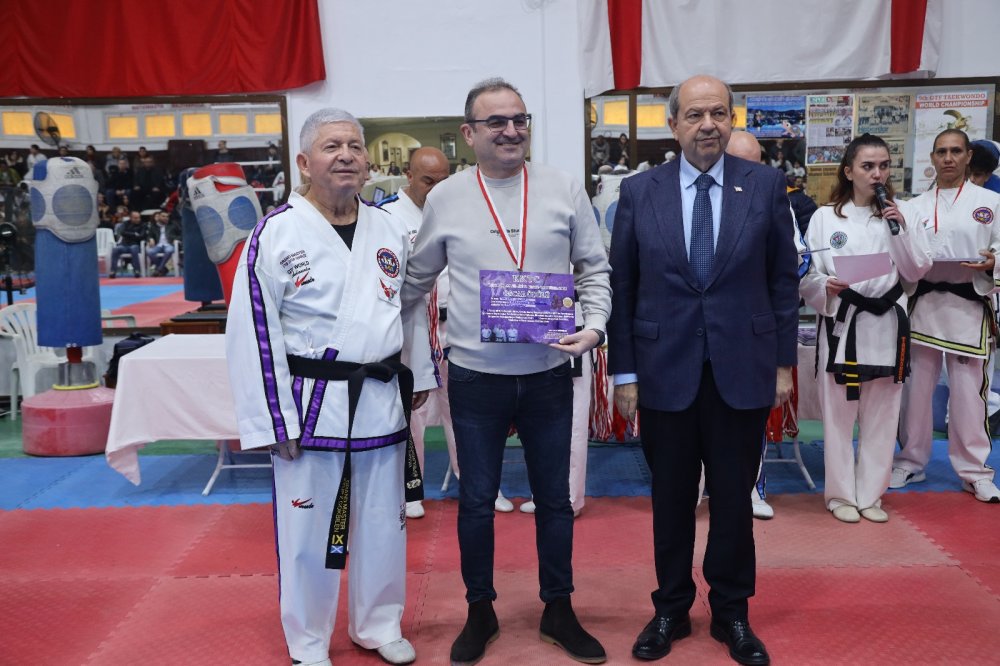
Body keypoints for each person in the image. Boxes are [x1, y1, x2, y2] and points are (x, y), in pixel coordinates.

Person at [403, 77, 611, 665]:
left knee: (555, 500)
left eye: (520, 119)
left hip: (548, 371)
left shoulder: (563, 188)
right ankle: (480, 611)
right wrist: (370, 323)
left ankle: (559, 608)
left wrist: (595, 327)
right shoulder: (447, 198)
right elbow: (416, 279)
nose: (511, 130)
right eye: (496, 121)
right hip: (475, 376)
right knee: (475, 502)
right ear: (469, 133)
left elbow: (594, 268)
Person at [225, 108, 437, 666]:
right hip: (310, 405)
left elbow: (408, 307)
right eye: (330, 146)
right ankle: (308, 640)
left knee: (384, 523)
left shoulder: (388, 226)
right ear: (303, 162)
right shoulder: (276, 232)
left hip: (380, 398)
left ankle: (378, 624)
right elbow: (253, 331)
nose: (345, 155)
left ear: (368, 161)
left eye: (354, 146)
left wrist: (419, 373)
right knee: (306, 528)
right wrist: (273, 419)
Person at [608, 75, 798, 666]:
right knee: (670, 500)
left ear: (732, 119)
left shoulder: (764, 185)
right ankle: (670, 607)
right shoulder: (639, 192)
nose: (708, 124)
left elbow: (782, 281)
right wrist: (623, 374)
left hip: (743, 367)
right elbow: (623, 286)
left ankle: (732, 612)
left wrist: (783, 364)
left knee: (734, 501)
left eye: (719, 112)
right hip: (663, 369)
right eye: (695, 114)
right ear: (674, 125)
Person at [800, 133, 932, 524]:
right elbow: (808, 274)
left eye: (884, 166)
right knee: (839, 416)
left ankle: (871, 493)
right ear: (849, 171)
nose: (877, 174)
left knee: (884, 414)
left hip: (887, 322)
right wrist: (825, 286)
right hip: (844, 323)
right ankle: (840, 495)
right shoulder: (826, 217)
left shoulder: (903, 214)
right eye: (868, 166)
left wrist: (901, 229)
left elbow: (915, 271)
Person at [893, 129, 1000, 503]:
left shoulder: (991, 202)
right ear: (933, 158)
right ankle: (910, 460)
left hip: (968, 305)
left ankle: (975, 471)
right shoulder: (914, 206)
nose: (949, 158)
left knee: (969, 394)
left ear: (968, 156)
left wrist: (993, 262)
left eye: (956, 151)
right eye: (942, 152)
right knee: (915, 390)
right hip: (923, 304)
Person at [725, 130, 778, 521]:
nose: (749, 171)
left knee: (748, 418)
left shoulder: (772, 197)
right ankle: (695, 489)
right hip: (695, 329)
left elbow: (796, 261)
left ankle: (753, 489)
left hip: (749, 328)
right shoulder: (692, 194)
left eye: (755, 163)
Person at [110, 210, 147, 278]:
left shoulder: (143, 225)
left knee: (134, 249)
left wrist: (129, 234)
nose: (138, 219)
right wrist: (134, 234)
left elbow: (142, 236)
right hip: (124, 245)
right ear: (131, 218)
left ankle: (137, 270)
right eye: (136, 218)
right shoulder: (125, 223)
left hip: (136, 244)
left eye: (139, 217)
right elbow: (122, 232)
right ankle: (113, 271)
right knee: (115, 249)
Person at [145, 210, 180, 276]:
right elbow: (149, 236)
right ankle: (163, 269)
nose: (165, 218)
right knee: (149, 252)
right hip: (158, 245)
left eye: (167, 216)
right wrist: (150, 239)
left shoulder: (173, 225)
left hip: (169, 244)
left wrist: (176, 239)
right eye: (163, 216)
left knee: (169, 250)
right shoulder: (153, 226)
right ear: (159, 217)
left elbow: (181, 234)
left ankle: (159, 269)